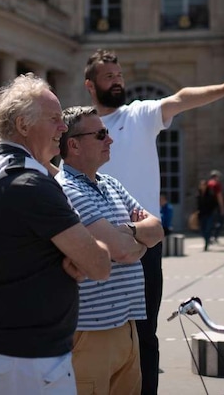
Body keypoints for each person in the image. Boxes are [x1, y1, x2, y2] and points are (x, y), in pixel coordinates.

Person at [84, 49, 224, 395]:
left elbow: (180, 98)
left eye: (119, 76)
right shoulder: (85, 129)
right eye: (108, 77)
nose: (117, 81)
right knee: (95, 333)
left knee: (144, 333)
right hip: (96, 243)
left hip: (143, 245)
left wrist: (222, 88)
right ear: (90, 85)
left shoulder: (139, 115)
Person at [0, 74, 111, 395]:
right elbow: (99, 265)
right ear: (24, 126)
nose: (63, 128)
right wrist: (80, 256)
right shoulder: (31, 185)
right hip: (30, 363)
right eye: (54, 119)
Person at [56, 106, 165, 395]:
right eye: (101, 134)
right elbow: (120, 252)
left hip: (127, 325)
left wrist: (128, 233)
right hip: (91, 331)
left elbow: (157, 230)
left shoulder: (112, 184)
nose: (110, 140)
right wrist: (134, 239)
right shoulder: (66, 189)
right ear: (74, 145)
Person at [197, 178, 219, 251]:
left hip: (209, 214)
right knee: (202, 230)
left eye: (204, 185)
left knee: (207, 229)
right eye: (201, 185)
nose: (202, 186)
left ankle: (206, 244)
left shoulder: (210, 194)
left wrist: (213, 211)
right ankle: (207, 240)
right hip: (201, 214)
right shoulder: (198, 195)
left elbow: (215, 204)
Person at [205, 170, 224, 244]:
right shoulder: (216, 184)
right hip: (215, 206)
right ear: (216, 177)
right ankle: (215, 237)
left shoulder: (207, 184)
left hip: (207, 207)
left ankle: (208, 237)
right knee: (219, 222)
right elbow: (219, 196)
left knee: (209, 222)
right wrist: (222, 207)